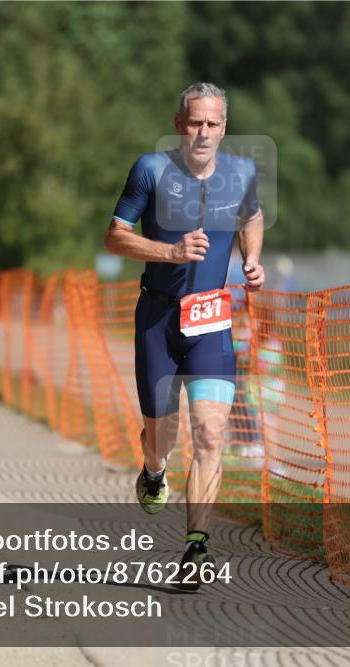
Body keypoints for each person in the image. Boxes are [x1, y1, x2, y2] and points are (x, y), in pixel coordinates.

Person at [103, 82, 265, 590]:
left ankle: (196, 548)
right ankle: (153, 470)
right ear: (179, 124)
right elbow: (113, 236)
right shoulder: (151, 170)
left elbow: (252, 217)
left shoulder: (240, 173)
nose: (203, 133)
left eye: (213, 124)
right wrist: (169, 253)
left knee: (212, 433)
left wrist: (252, 259)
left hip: (211, 319)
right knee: (163, 439)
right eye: (195, 122)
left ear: (223, 128)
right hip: (157, 317)